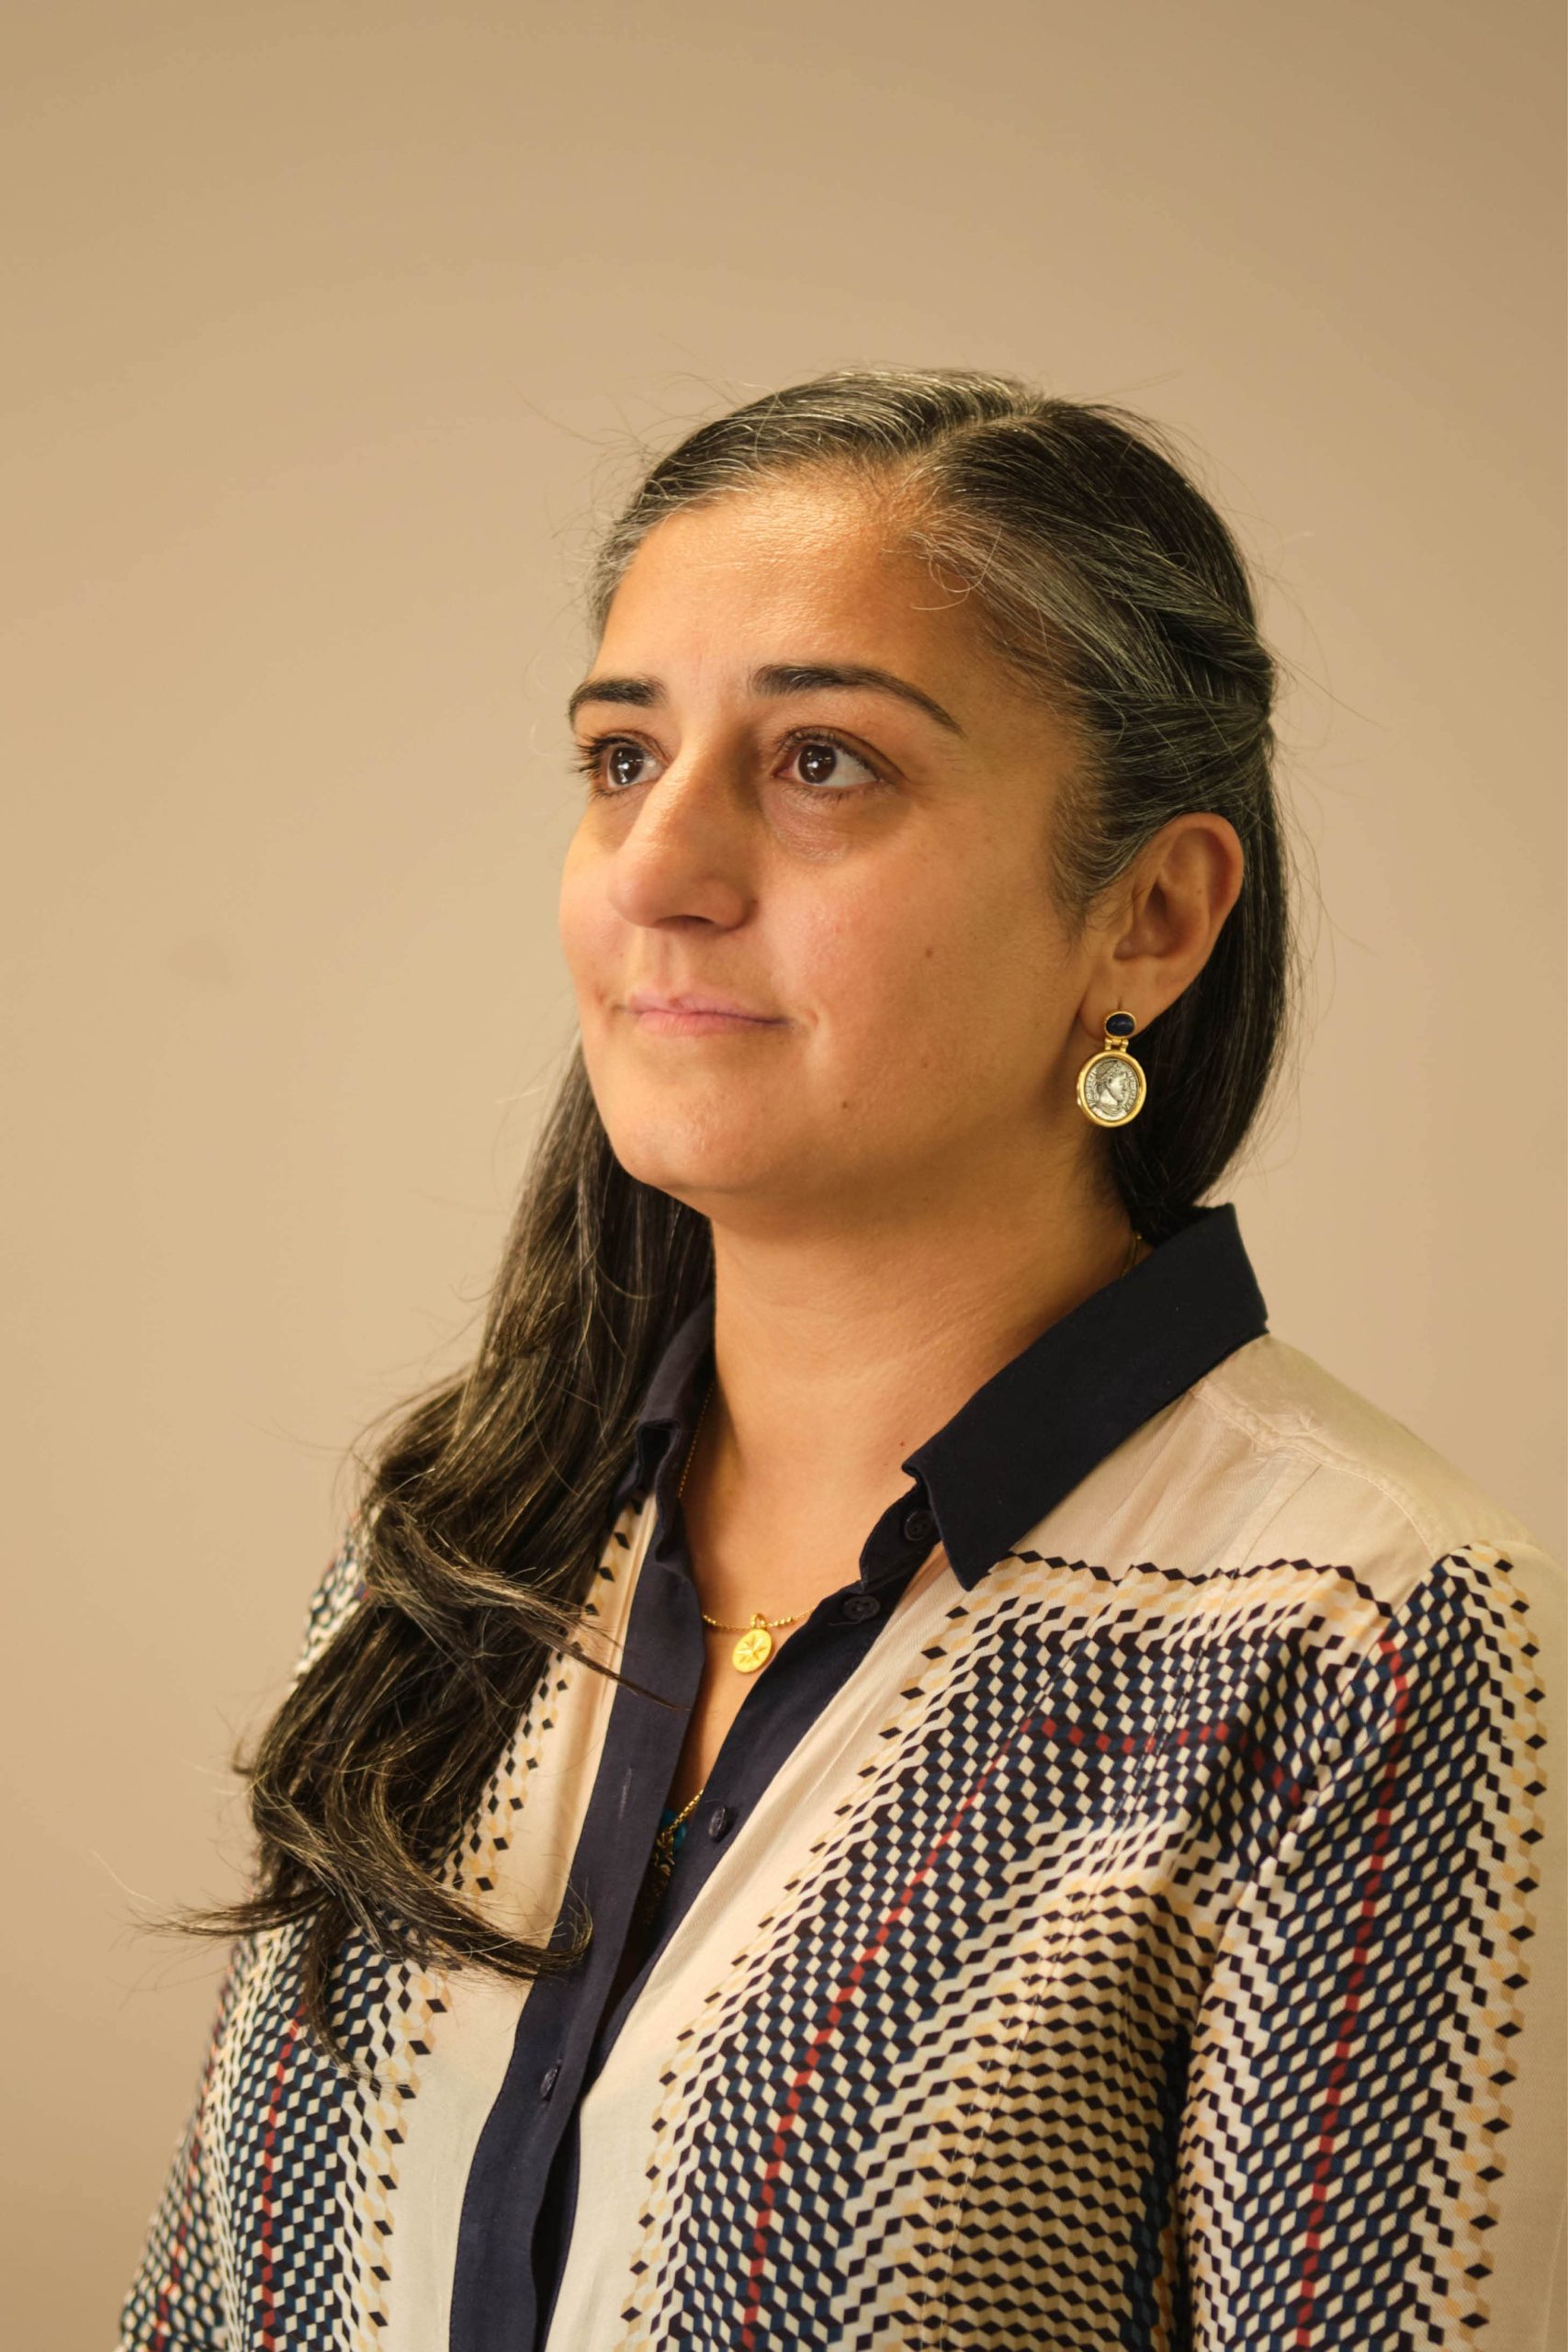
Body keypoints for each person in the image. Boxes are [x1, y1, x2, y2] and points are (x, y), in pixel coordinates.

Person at [118, 368, 1564, 2352]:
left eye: (820, 763)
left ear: (1146, 915)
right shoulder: (458, 1554)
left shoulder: (1363, 1627)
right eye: (621, 757)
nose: (658, 867)